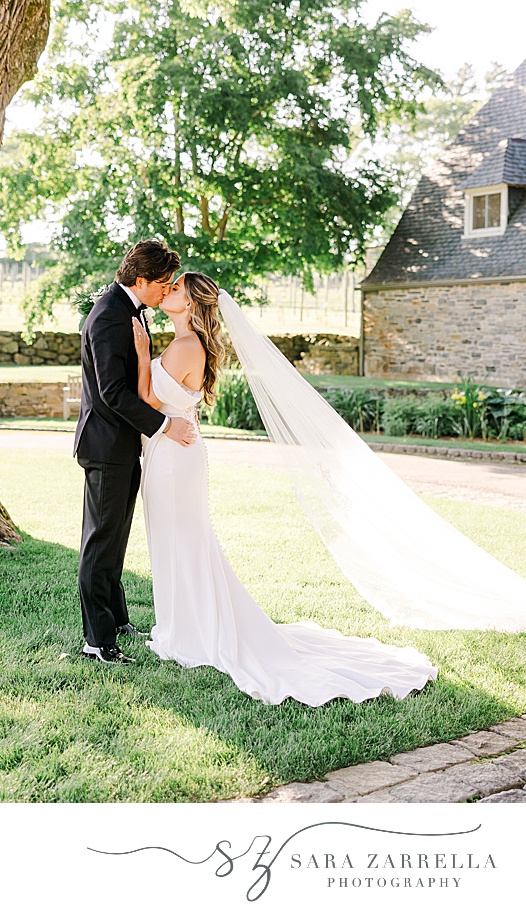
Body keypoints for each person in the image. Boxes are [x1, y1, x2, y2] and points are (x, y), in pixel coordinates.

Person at [130, 272, 438, 706]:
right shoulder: (185, 344)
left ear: (192, 303)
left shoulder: (184, 347)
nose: (169, 291)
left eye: (177, 288)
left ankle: (193, 633)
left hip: (174, 460)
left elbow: (147, 402)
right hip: (171, 454)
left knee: (183, 540)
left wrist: (142, 354)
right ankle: (184, 625)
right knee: (178, 540)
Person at [73, 240, 198, 665]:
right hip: (106, 447)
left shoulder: (128, 309)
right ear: (140, 281)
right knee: (100, 541)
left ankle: (118, 619)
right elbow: (111, 393)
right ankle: (97, 642)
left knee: (116, 538)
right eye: (162, 285)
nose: (166, 292)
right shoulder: (110, 317)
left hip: (122, 446)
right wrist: (165, 425)